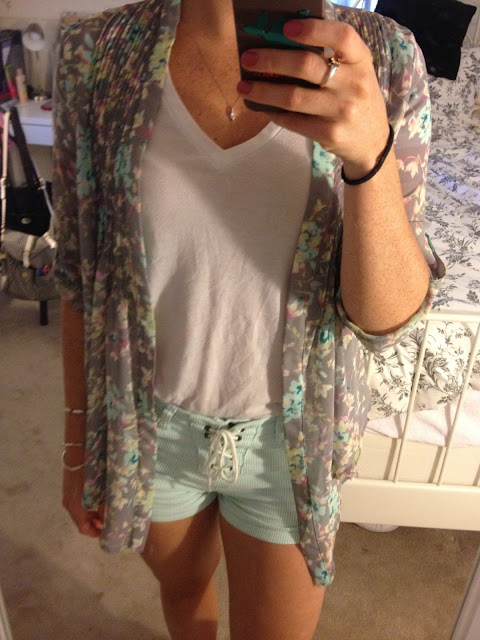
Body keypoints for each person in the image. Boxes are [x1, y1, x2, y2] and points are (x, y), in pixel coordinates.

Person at [54, 0, 444, 638]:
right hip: (151, 430)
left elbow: (385, 322)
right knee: (184, 595)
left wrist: (369, 155)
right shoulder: (97, 53)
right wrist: (78, 450)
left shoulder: (384, 59)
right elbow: (79, 273)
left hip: (290, 447)